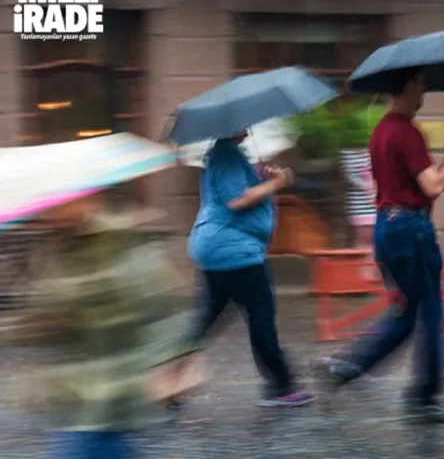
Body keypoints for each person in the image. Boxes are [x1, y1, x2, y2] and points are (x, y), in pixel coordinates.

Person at [311, 67, 444, 423]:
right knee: (430, 315)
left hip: (388, 228)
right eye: (422, 82)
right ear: (409, 84)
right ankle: (424, 398)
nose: (425, 88)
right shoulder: (406, 132)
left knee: (407, 314)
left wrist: (443, 162)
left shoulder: (381, 129)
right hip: (411, 231)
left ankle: (344, 368)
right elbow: (432, 187)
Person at [18, 194, 196, 459]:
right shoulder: (52, 253)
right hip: (74, 396)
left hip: (112, 392)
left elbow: (160, 309)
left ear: (88, 199)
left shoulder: (118, 243)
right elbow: (48, 319)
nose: (53, 210)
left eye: (64, 201)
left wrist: (172, 362)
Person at [184, 131, 313, 407]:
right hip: (235, 252)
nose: (250, 126)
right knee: (261, 315)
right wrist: (276, 183)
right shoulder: (226, 154)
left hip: (220, 249)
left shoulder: (225, 153)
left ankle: (165, 377)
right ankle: (281, 386)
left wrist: (261, 177)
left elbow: (235, 192)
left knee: (206, 319)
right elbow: (237, 200)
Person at [341, 147, 378, 279]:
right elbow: (349, 176)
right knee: (363, 241)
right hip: (361, 208)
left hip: (375, 207)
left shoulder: (376, 150)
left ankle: (368, 274)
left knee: (375, 242)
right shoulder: (347, 154)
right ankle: (362, 275)